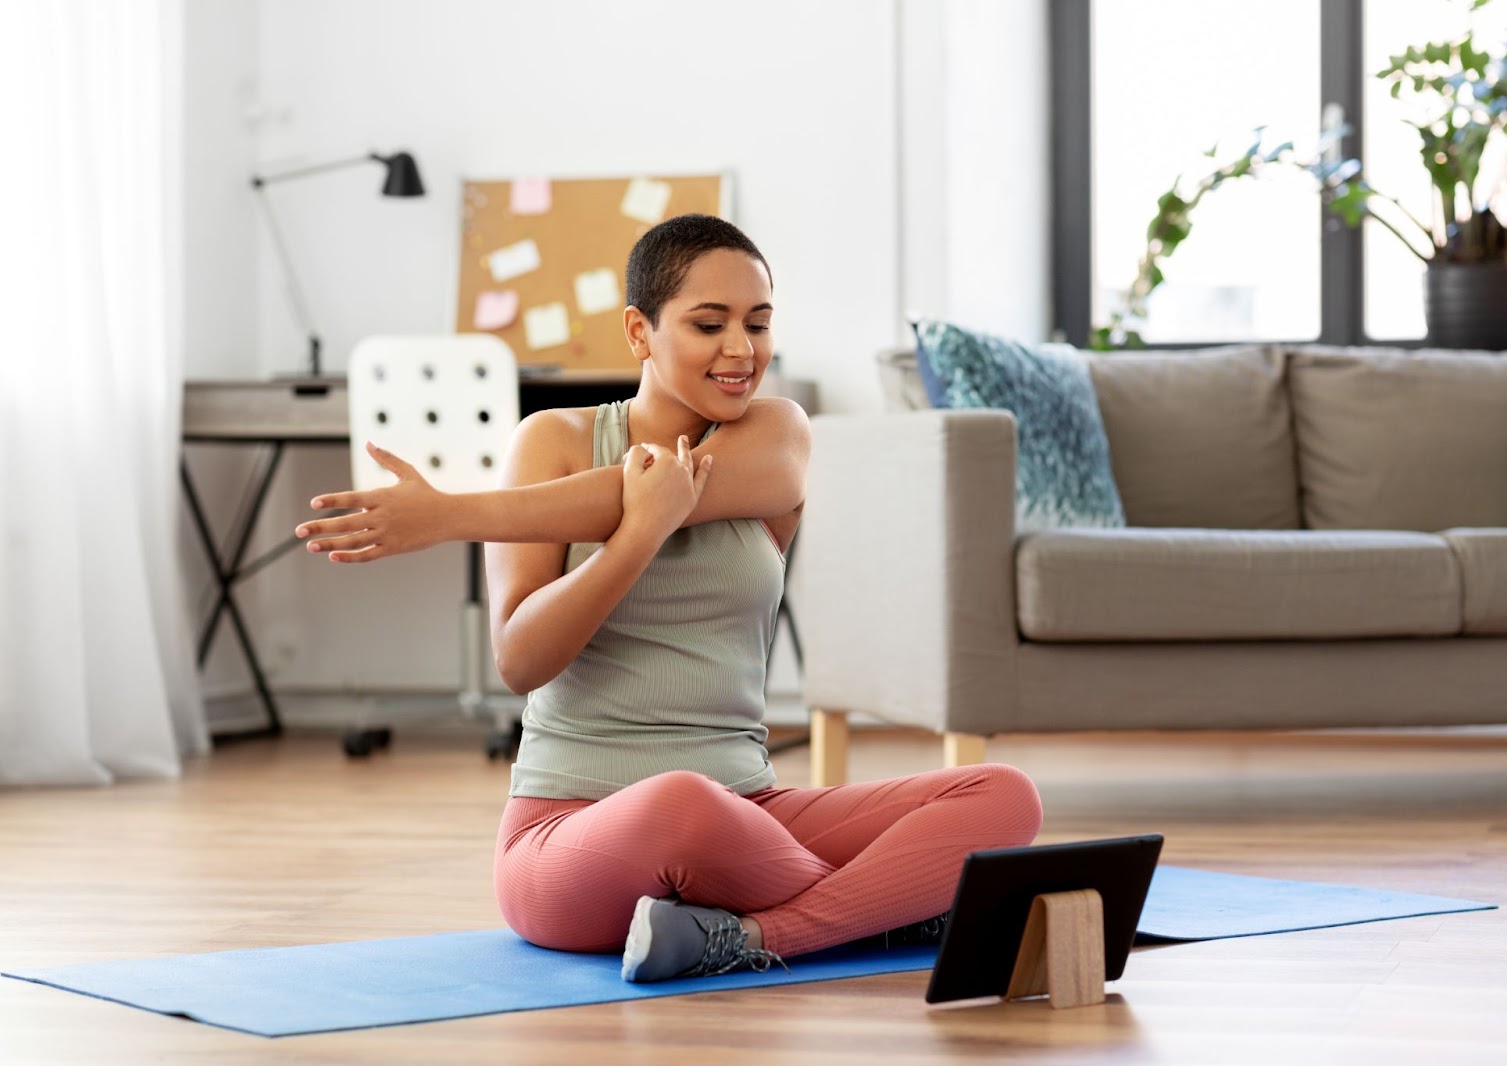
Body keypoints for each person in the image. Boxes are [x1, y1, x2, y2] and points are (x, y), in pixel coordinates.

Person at [294, 214, 1042, 982]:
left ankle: (754, 936)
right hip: (569, 836)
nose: (741, 349)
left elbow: (665, 486)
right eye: (708, 323)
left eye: (758, 322)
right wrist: (639, 535)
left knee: (1003, 795)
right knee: (683, 805)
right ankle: (894, 906)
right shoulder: (550, 440)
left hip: (750, 820)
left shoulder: (779, 435)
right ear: (639, 332)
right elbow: (521, 661)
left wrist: (454, 513)